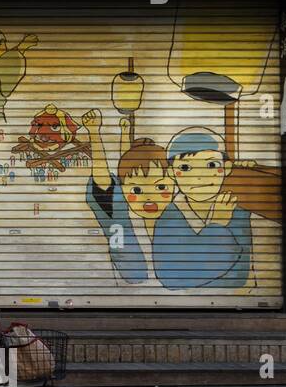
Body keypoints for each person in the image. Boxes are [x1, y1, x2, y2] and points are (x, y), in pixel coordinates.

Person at [79, 110, 174, 285]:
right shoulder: (117, 211)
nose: (149, 197)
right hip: (130, 286)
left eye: (160, 186)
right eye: (137, 190)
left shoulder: (170, 212)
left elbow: (130, 172)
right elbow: (107, 175)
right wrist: (93, 132)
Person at [153, 128, 252, 289]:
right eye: (185, 168)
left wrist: (250, 175)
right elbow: (170, 277)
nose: (199, 176)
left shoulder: (236, 207)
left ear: (226, 168)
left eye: (211, 164)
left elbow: (239, 275)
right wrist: (217, 225)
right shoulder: (169, 217)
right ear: (172, 172)